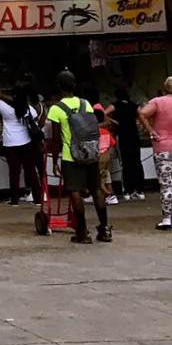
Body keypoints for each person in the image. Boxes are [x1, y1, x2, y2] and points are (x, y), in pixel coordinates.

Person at [47, 71, 111, 244]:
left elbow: (56, 139)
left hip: (71, 156)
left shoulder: (56, 109)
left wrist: (54, 161)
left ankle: (82, 231)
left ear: (59, 86)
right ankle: (105, 229)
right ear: (74, 86)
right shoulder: (86, 104)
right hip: (91, 153)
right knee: (96, 189)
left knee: (75, 192)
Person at [0, 85, 43, 206]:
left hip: (10, 143)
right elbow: (36, 116)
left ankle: (14, 200)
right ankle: (37, 198)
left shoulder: (6, 109)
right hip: (26, 142)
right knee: (31, 171)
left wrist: (1, 95)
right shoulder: (28, 108)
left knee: (14, 172)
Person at [139, 76, 172, 230]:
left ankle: (167, 218)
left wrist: (151, 130)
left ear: (165, 88)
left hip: (163, 147)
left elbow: (142, 113)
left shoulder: (158, 102)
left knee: (166, 184)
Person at [112, 87, 145, 201]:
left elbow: (102, 113)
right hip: (134, 136)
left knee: (126, 163)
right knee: (136, 161)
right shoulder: (134, 105)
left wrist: (114, 122)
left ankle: (127, 190)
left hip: (123, 136)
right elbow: (142, 116)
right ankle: (139, 189)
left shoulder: (115, 105)